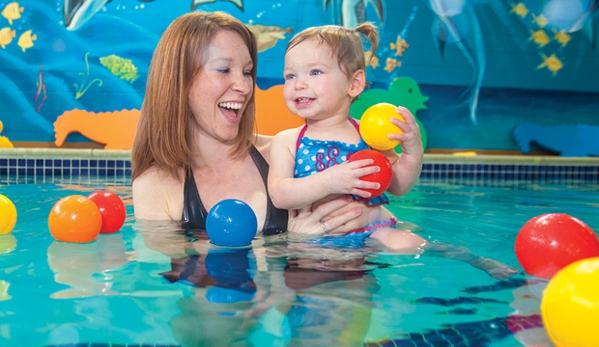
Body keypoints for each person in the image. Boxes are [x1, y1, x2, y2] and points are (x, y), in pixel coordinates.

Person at [130, 11, 368, 237]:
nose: (244, 87)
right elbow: (157, 276)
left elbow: (374, 216)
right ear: (179, 80)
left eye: (247, 72)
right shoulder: (156, 186)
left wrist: (366, 216)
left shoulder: (288, 154)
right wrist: (293, 244)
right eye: (224, 70)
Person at [268, 23, 426, 250]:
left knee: (412, 244)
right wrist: (329, 181)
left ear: (354, 83)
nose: (299, 84)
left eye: (315, 72)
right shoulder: (287, 141)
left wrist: (412, 150)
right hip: (314, 238)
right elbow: (280, 194)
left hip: (373, 232)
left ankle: (474, 263)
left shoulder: (368, 134)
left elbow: (398, 185)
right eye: (290, 75)